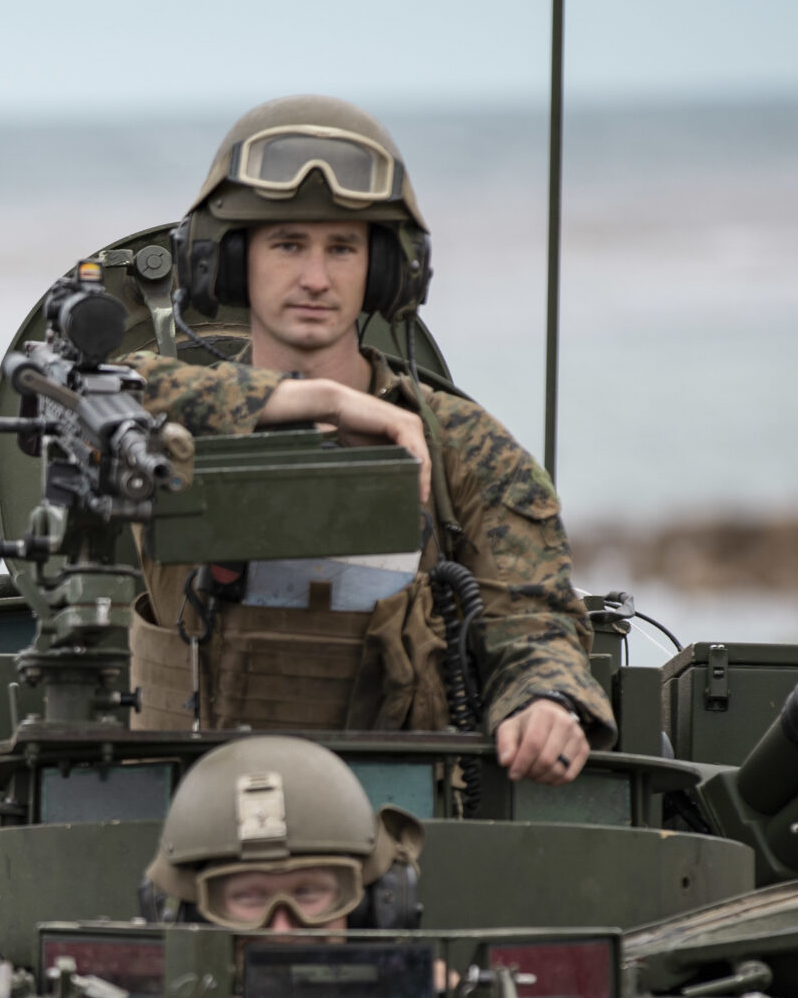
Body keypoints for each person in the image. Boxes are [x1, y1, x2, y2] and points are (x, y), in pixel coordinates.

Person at [123, 95, 612, 787]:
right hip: (193, 811)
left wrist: (543, 698)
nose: (316, 278)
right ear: (230, 262)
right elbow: (70, 396)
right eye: (288, 243)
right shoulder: (166, 425)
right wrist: (304, 401)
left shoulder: (458, 444)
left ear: (386, 271)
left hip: (396, 812)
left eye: (343, 248)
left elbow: (534, 615)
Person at [142, 736, 423, 932]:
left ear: (368, 906)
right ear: (192, 917)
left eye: (308, 893)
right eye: (249, 897)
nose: (281, 931)